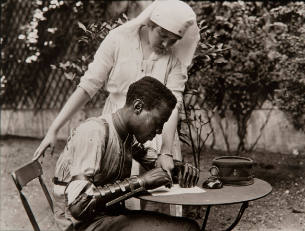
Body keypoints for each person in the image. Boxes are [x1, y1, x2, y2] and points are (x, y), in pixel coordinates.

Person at [33, 0, 200, 182]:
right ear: (151, 23)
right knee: (112, 193)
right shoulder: (118, 39)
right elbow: (88, 86)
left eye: (173, 40)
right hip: (117, 132)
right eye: (163, 35)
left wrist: (166, 152)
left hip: (158, 136)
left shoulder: (175, 57)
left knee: (158, 194)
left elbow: (173, 104)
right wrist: (54, 129)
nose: (167, 44)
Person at [52, 77, 200, 231]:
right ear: (138, 107)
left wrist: (179, 169)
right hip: (81, 225)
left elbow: (154, 163)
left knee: (187, 226)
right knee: (187, 229)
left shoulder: (127, 136)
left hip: (107, 216)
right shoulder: (94, 132)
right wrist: (142, 182)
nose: (159, 131)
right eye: (158, 122)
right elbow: (78, 206)